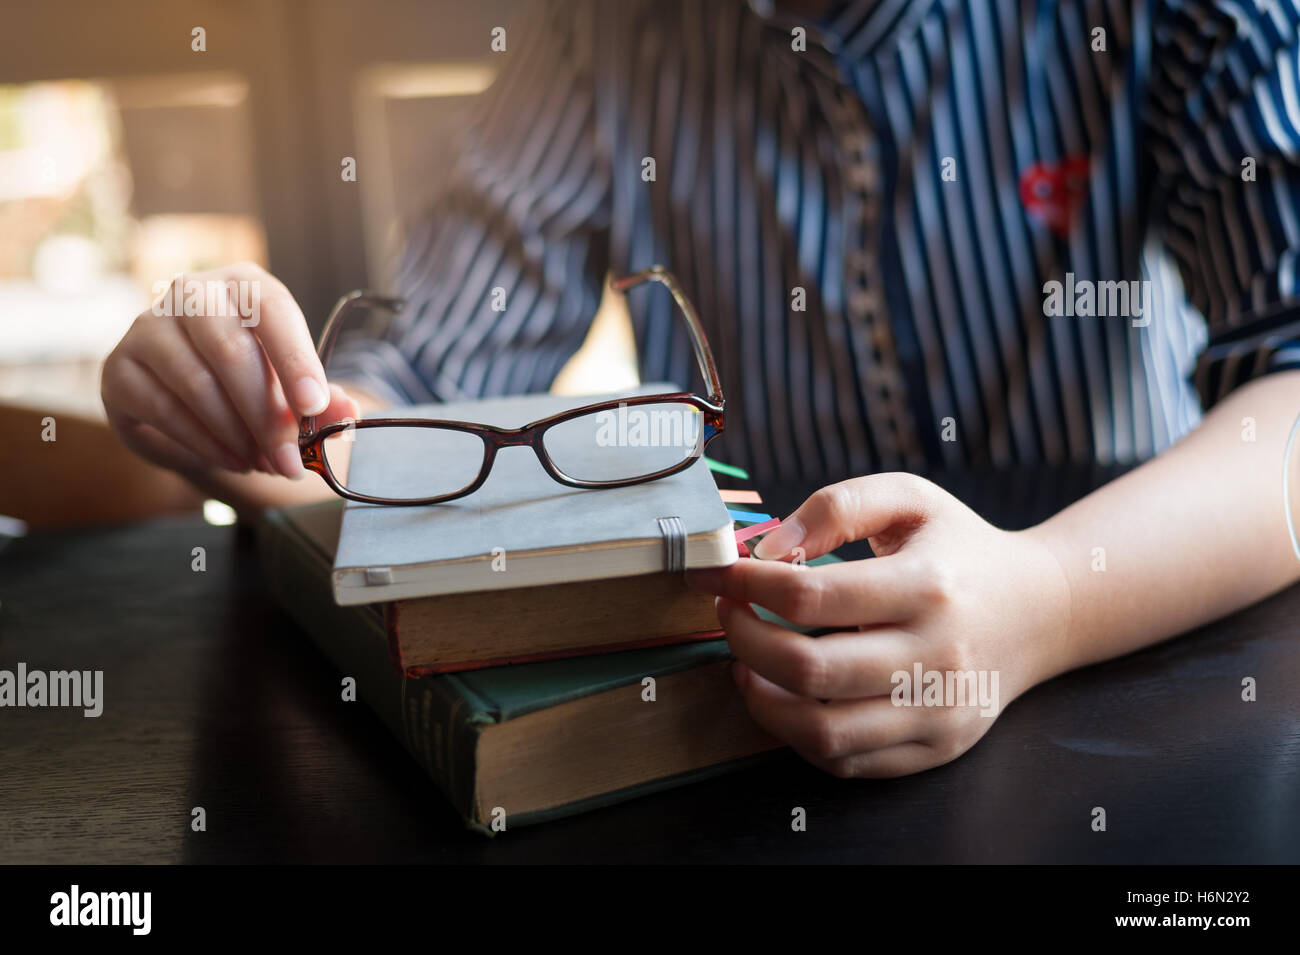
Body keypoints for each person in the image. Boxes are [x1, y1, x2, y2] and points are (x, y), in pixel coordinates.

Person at [101, 0, 1300, 778]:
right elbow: (411, 388)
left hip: (1144, 685)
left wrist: (1043, 598)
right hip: (756, 725)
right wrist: (252, 400)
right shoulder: (600, 39)